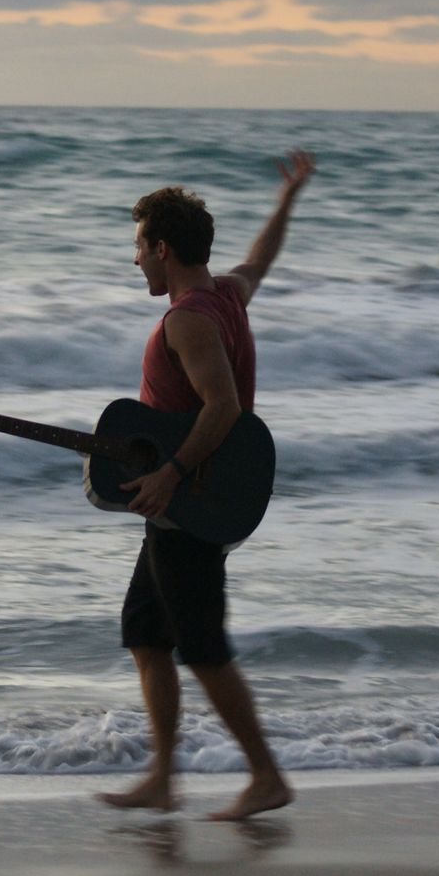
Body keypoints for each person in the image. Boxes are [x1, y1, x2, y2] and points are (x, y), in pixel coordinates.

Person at [102, 149, 316, 820]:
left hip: (189, 499)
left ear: (162, 248)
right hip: (187, 500)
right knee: (146, 633)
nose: (135, 260)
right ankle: (162, 777)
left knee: (202, 646)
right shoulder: (227, 292)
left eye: (139, 247)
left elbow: (221, 407)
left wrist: (169, 473)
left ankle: (266, 777)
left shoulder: (189, 318)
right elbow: (260, 259)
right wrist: (286, 200)